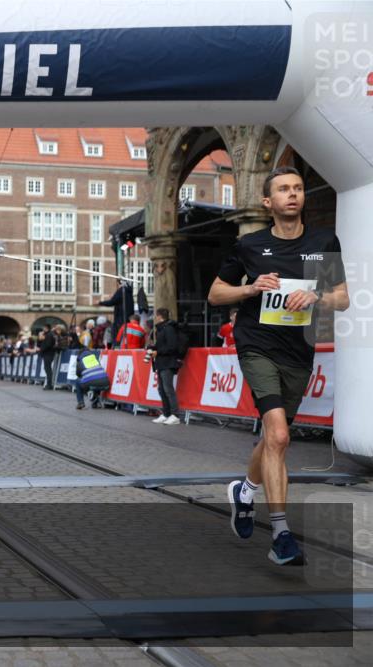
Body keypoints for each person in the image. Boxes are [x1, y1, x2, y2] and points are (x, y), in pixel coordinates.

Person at [208, 166, 349, 566]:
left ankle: (244, 490)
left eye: (298, 188)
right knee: (280, 435)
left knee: (275, 439)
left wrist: (316, 295)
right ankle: (282, 535)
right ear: (268, 202)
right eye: (284, 190)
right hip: (257, 346)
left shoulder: (323, 241)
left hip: (298, 352)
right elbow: (216, 294)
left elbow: (342, 298)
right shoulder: (250, 245)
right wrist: (250, 287)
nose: (293, 194)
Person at [147, 308, 183, 425]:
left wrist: (158, 352)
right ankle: (166, 413)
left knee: (168, 389)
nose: (154, 318)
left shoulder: (169, 329)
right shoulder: (161, 329)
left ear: (159, 316)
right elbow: (161, 346)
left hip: (168, 362)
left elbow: (172, 347)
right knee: (162, 389)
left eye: (155, 316)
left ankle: (175, 415)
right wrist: (152, 348)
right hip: (162, 362)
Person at [38, 324, 57, 390]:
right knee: (47, 368)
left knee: (48, 369)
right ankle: (49, 384)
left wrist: (42, 349)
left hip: (48, 354)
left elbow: (48, 345)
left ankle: (49, 384)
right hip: (48, 353)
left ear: (47, 328)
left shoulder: (49, 335)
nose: (43, 329)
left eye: (44, 328)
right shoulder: (48, 334)